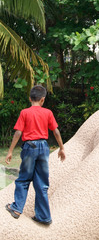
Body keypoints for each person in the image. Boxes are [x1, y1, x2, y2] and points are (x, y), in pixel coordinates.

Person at [4, 85, 65, 224]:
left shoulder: (25, 113)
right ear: (43, 100)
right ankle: (44, 217)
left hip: (30, 147)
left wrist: (10, 151)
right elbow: (55, 131)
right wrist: (61, 148)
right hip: (43, 148)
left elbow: (18, 132)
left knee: (24, 179)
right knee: (42, 183)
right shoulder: (48, 113)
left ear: (30, 98)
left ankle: (17, 208)